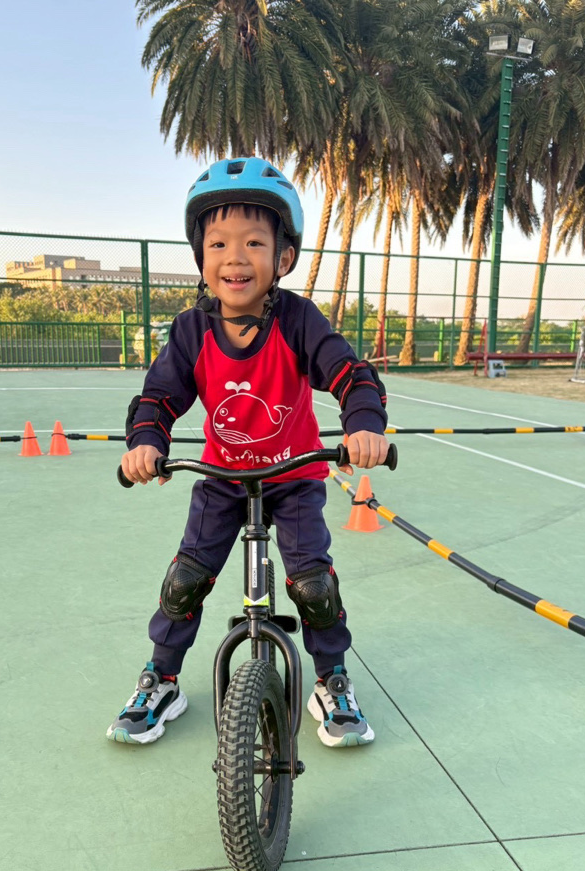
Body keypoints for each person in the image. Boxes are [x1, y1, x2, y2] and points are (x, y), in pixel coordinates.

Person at [107, 157, 389, 748]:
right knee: (186, 579)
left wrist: (364, 426)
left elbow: (351, 375)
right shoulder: (191, 330)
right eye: (219, 244)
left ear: (283, 257)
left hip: (294, 478)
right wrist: (146, 441)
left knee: (313, 584)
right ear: (201, 258)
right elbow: (158, 396)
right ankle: (161, 678)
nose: (235, 257)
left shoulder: (299, 320)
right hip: (222, 479)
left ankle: (332, 679)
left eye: (254, 242)